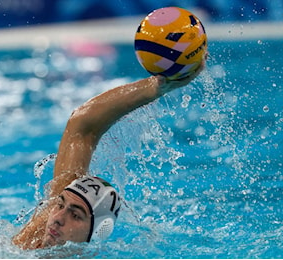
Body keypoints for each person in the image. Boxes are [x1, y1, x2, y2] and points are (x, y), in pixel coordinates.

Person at [12, 60, 206, 250]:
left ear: (96, 232)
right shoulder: (32, 241)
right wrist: (158, 86)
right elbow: (83, 123)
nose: (57, 219)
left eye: (76, 215)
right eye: (60, 205)